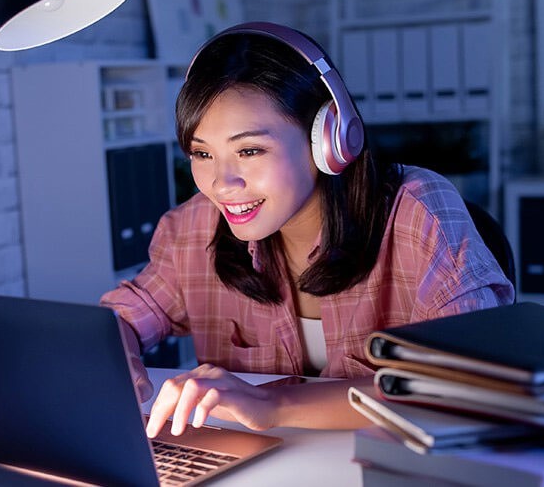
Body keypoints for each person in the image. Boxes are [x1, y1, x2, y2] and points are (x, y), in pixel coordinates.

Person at [100, 22, 514, 440]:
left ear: (330, 140)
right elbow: (120, 319)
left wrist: (272, 404)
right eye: (202, 153)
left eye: (249, 150)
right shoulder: (192, 228)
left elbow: (467, 381)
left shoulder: (419, 211)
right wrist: (119, 359)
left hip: (394, 467)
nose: (222, 183)